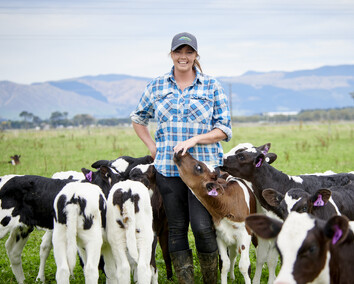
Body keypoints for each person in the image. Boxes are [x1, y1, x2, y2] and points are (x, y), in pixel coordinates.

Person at [130, 32, 232, 283]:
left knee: (201, 226)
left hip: (203, 172)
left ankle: (210, 280)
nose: (183, 57)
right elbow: (138, 118)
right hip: (168, 167)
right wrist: (152, 146)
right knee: (175, 228)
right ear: (171, 54)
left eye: (189, 52)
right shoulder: (156, 85)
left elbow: (224, 128)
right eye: (178, 52)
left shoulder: (211, 86)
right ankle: (185, 281)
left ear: (196, 55)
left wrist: (195, 140)